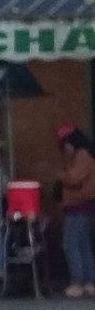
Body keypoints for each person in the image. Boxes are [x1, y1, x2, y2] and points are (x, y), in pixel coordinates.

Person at [57, 123, 95, 298]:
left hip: (78, 206)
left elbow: (73, 178)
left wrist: (61, 174)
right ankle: (89, 282)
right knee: (83, 244)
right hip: (84, 205)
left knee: (70, 243)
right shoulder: (85, 154)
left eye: (65, 143)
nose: (64, 148)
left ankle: (77, 282)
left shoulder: (82, 155)